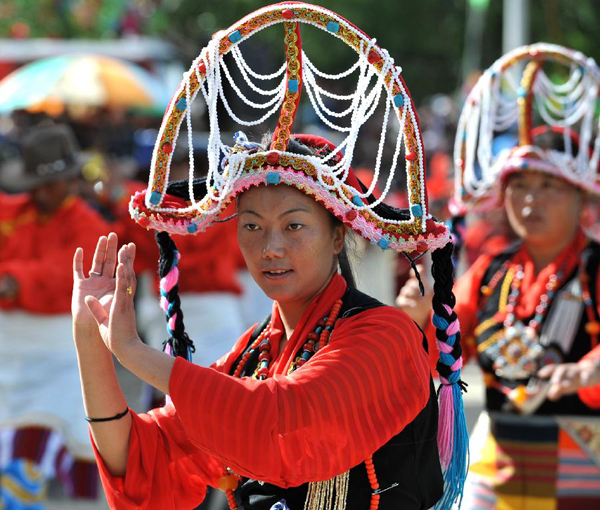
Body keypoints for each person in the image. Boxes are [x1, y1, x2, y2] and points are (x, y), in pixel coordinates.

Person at [72, 4, 469, 509]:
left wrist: (135, 353)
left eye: (294, 226)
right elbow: (146, 462)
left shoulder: (384, 337)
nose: (270, 247)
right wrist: (91, 339)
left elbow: (282, 422)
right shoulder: (254, 356)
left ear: (335, 236)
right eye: (252, 226)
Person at [398, 43, 600, 509]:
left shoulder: (594, 268)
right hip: (499, 462)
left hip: (585, 462)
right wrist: (415, 318)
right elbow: (443, 357)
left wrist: (588, 371)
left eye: (549, 187)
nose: (531, 201)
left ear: (581, 197)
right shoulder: (492, 272)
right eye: (521, 187)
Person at [0, 123, 110, 508]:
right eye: (39, 184)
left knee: (37, 443)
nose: (45, 192)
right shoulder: (13, 212)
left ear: (70, 179)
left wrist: (13, 280)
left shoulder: (89, 225)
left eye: (53, 183)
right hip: (9, 349)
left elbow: (61, 270)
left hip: (60, 353)